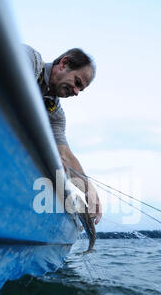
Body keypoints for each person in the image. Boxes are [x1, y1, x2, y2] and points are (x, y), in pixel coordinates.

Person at [23, 45, 102, 224]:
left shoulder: (56, 115)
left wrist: (88, 188)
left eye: (80, 90)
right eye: (77, 82)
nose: (76, 92)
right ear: (63, 63)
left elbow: (65, 155)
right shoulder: (29, 60)